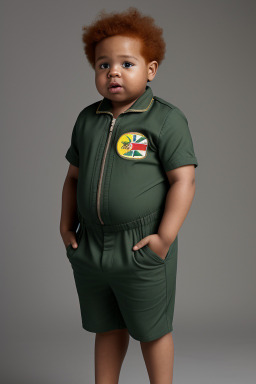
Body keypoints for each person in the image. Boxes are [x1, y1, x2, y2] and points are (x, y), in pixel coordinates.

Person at [60, 6, 198, 384]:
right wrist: (65, 226)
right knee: (106, 326)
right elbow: (73, 177)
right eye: (103, 65)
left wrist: (164, 239)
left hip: (140, 246)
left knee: (152, 330)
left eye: (126, 63)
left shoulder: (165, 119)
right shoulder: (87, 119)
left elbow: (183, 181)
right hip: (90, 245)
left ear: (150, 69)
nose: (113, 72)